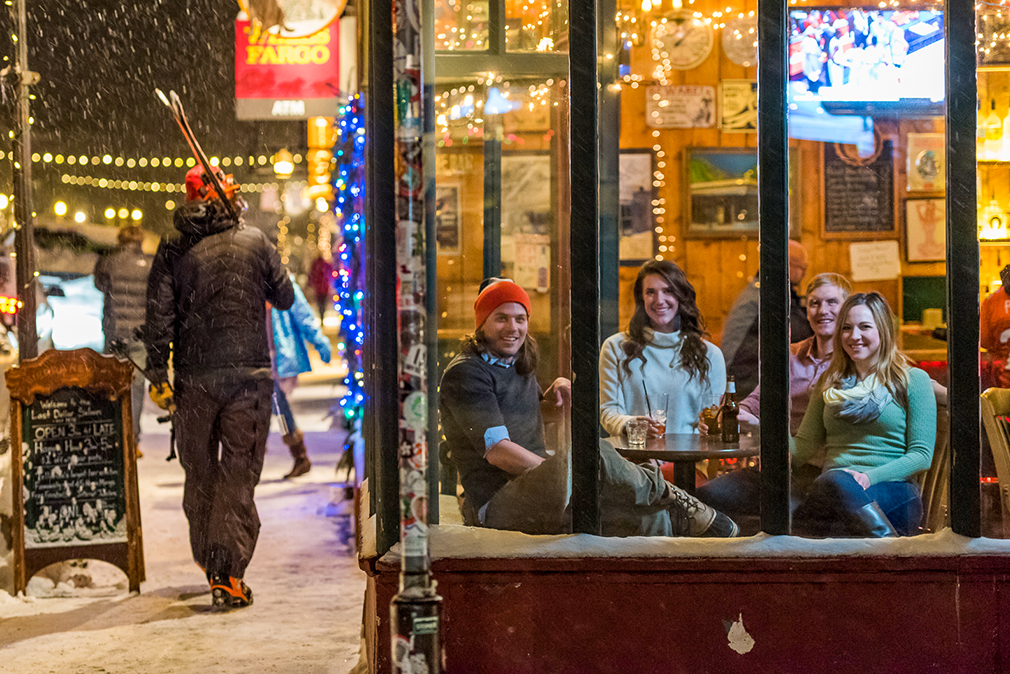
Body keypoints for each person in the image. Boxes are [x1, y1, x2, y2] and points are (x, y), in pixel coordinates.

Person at [439, 277, 738, 538]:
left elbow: (522, 419)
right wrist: (563, 473)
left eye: (520, 318)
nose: (513, 328)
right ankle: (671, 494)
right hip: (494, 503)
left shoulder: (517, 362)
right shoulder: (467, 372)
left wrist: (556, 402)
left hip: (536, 487)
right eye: (501, 318)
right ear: (482, 323)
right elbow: (498, 450)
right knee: (593, 453)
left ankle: (673, 554)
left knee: (646, 517)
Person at [144, 164, 294, 609]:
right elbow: (283, 296)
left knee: (201, 473)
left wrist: (157, 374)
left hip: (194, 379)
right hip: (247, 378)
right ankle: (227, 571)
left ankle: (212, 561)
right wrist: (266, 257)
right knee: (238, 475)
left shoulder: (173, 246)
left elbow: (159, 316)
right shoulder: (254, 241)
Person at [701, 292, 936, 538]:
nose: (854, 336)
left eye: (864, 327)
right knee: (715, 494)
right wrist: (762, 426)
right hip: (831, 493)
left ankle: (890, 549)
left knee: (833, 485)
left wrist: (867, 477)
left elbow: (921, 456)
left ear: (883, 330)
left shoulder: (912, 379)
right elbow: (801, 449)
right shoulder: (829, 382)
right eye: (846, 328)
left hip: (890, 490)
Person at [599, 259, 725, 440]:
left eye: (668, 291)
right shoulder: (615, 348)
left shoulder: (710, 355)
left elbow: (711, 422)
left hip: (688, 462)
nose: (659, 300)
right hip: (632, 461)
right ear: (641, 299)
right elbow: (608, 412)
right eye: (650, 292)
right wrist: (633, 425)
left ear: (681, 296)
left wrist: (710, 427)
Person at [720, 239, 814, 399]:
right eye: (802, 267)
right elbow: (799, 334)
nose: (804, 273)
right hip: (749, 385)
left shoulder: (760, 288)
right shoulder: (771, 294)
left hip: (742, 379)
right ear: (787, 264)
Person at [94, 225, 153, 456]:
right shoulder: (149, 264)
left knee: (111, 382)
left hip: (114, 330)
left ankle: (112, 434)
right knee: (136, 386)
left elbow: (99, 285)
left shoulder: (108, 261)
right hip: (139, 333)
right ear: (140, 240)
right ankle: (132, 439)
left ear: (120, 240)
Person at [268, 278, 333, 479]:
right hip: (256, 357)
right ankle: (297, 455)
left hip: (280, 357)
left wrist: (320, 342)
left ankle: (299, 454)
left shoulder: (285, 286)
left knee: (277, 405)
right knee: (270, 405)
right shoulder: (250, 283)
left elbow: (304, 316)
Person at [981, 264, 1010, 388]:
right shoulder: (990, 302)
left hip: (999, 367)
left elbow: (984, 340)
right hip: (999, 365)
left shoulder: (990, 301)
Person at [307, 254, 334, 319]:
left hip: (319, 287)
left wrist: (310, 283)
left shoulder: (316, 264)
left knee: (320, 303)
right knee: (323, 303)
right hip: (324, 287)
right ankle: (322, 315)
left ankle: (321, 315)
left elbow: (311, 274)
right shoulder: (325, 264)